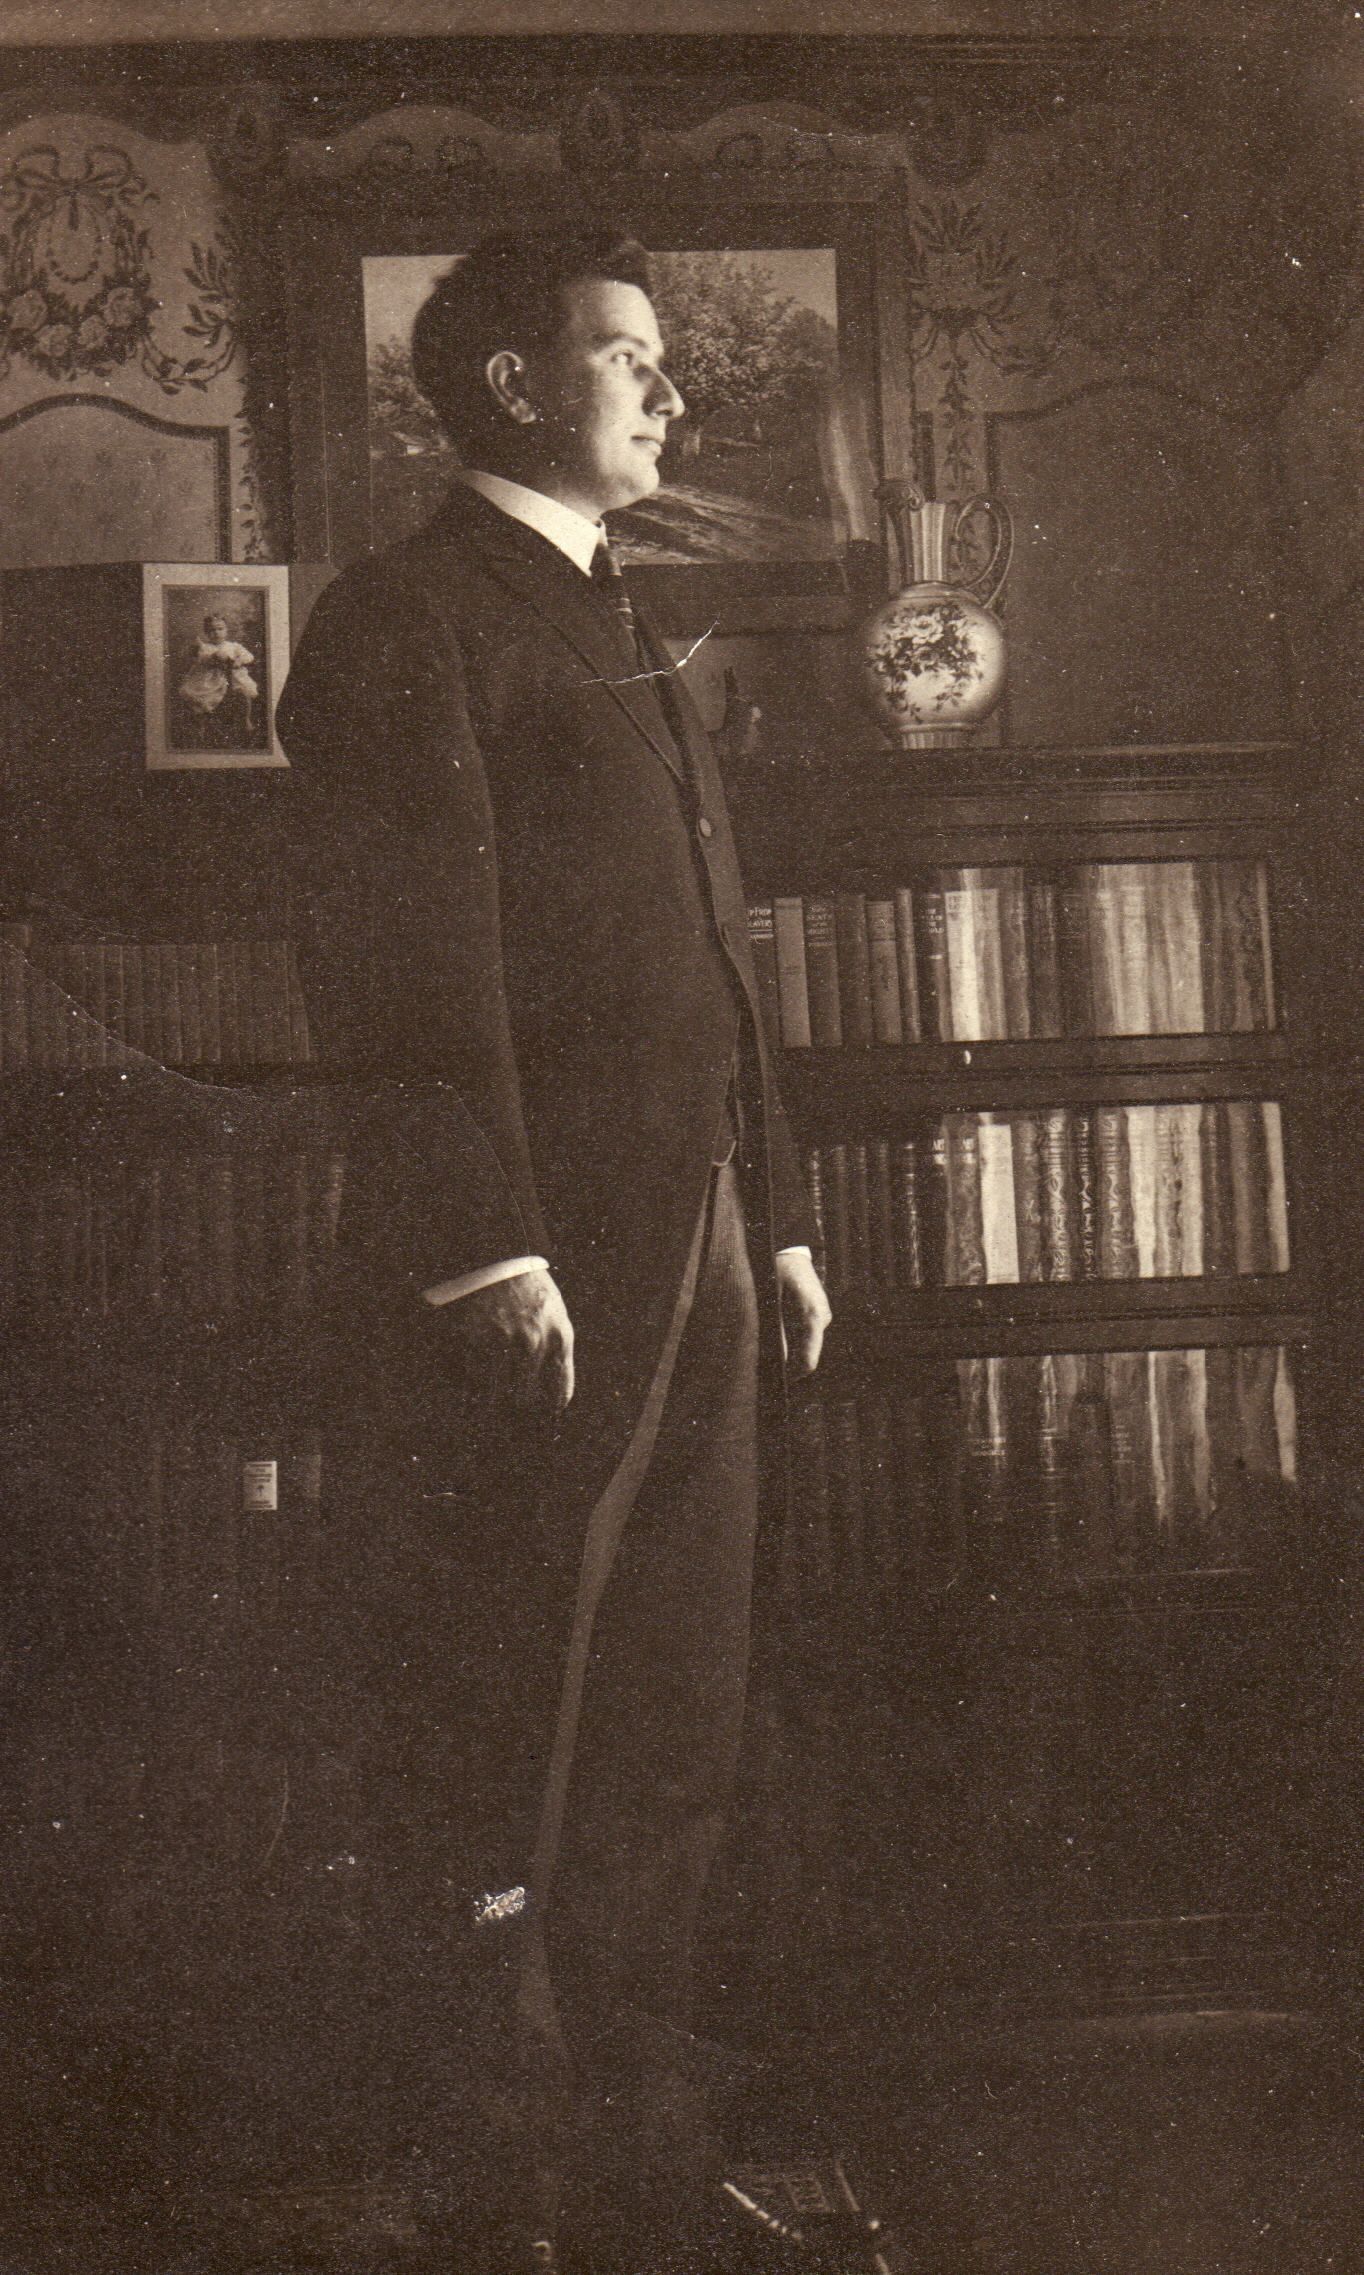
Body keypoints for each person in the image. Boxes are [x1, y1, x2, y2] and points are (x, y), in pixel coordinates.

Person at [275, 227, 831, 2274]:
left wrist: (776, 1216)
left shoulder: (623, 613)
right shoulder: (404, 619)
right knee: (503, 1715)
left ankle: (637, 2159)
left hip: (696, 1239)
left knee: (670, 1720)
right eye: (626, 356)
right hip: (535, 1277)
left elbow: (712, 959)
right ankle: (486, 2181)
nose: (669, 393)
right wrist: (481, 1249)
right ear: (511, 386)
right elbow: (395, 961)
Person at [176, 610, 259, 747]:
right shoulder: (205, 647)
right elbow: (203, 659)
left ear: (226, 630)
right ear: (206, 633)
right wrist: (213, 656)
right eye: (211, 630)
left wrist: (239, 660)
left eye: (220, 629)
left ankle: (247, 720)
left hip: (233, 677)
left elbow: (249, 656)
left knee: (245, 692)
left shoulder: (234, 646)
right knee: (202, 698)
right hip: (212, 678)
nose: (216, 633)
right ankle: (201, 726)